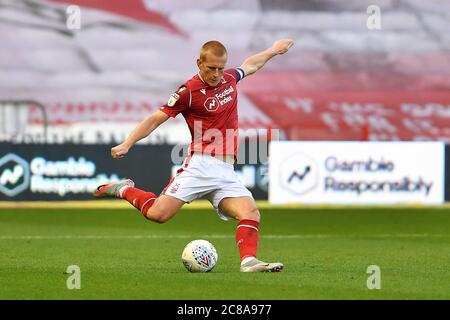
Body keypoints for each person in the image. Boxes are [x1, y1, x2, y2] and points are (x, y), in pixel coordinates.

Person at [94, 39, 294, 272]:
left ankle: (248, 261)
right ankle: (123, 189)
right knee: (158, 214)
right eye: (211, 68)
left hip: (226, 170)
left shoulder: (229, 79)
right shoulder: (187, 92)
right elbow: (155, 119)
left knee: (250, 212)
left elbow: (251, 65)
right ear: (200, 63)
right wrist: (128, 143)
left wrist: (272, 51)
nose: (217, 74)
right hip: (200, 166)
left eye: (221, 68)